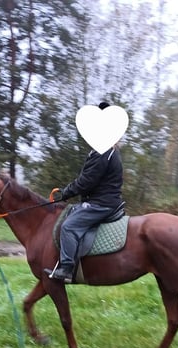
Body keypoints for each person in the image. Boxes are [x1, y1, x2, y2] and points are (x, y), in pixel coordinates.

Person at [45, 101, 125, 283]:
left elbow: (87, 181)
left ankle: (66, 268)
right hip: (103, 200)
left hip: (102, 204)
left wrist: (65, 192)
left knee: (69, 226)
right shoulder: (106, 150)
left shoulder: (103, 150)